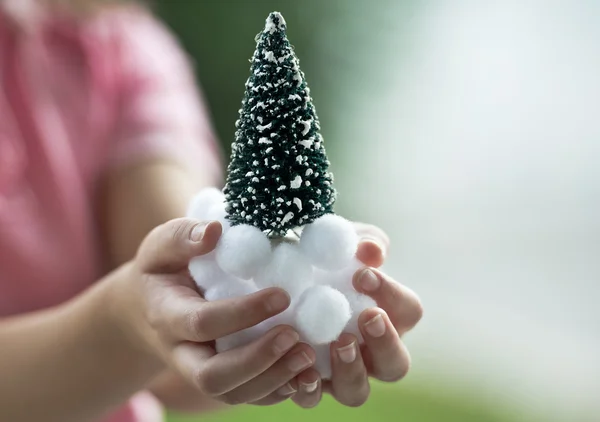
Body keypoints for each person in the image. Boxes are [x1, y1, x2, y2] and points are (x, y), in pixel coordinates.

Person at [0, 1, 423, 421]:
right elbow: (150, 318)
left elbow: (182, 312)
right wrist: (126, 324)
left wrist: (273, 337)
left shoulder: (134, 54)